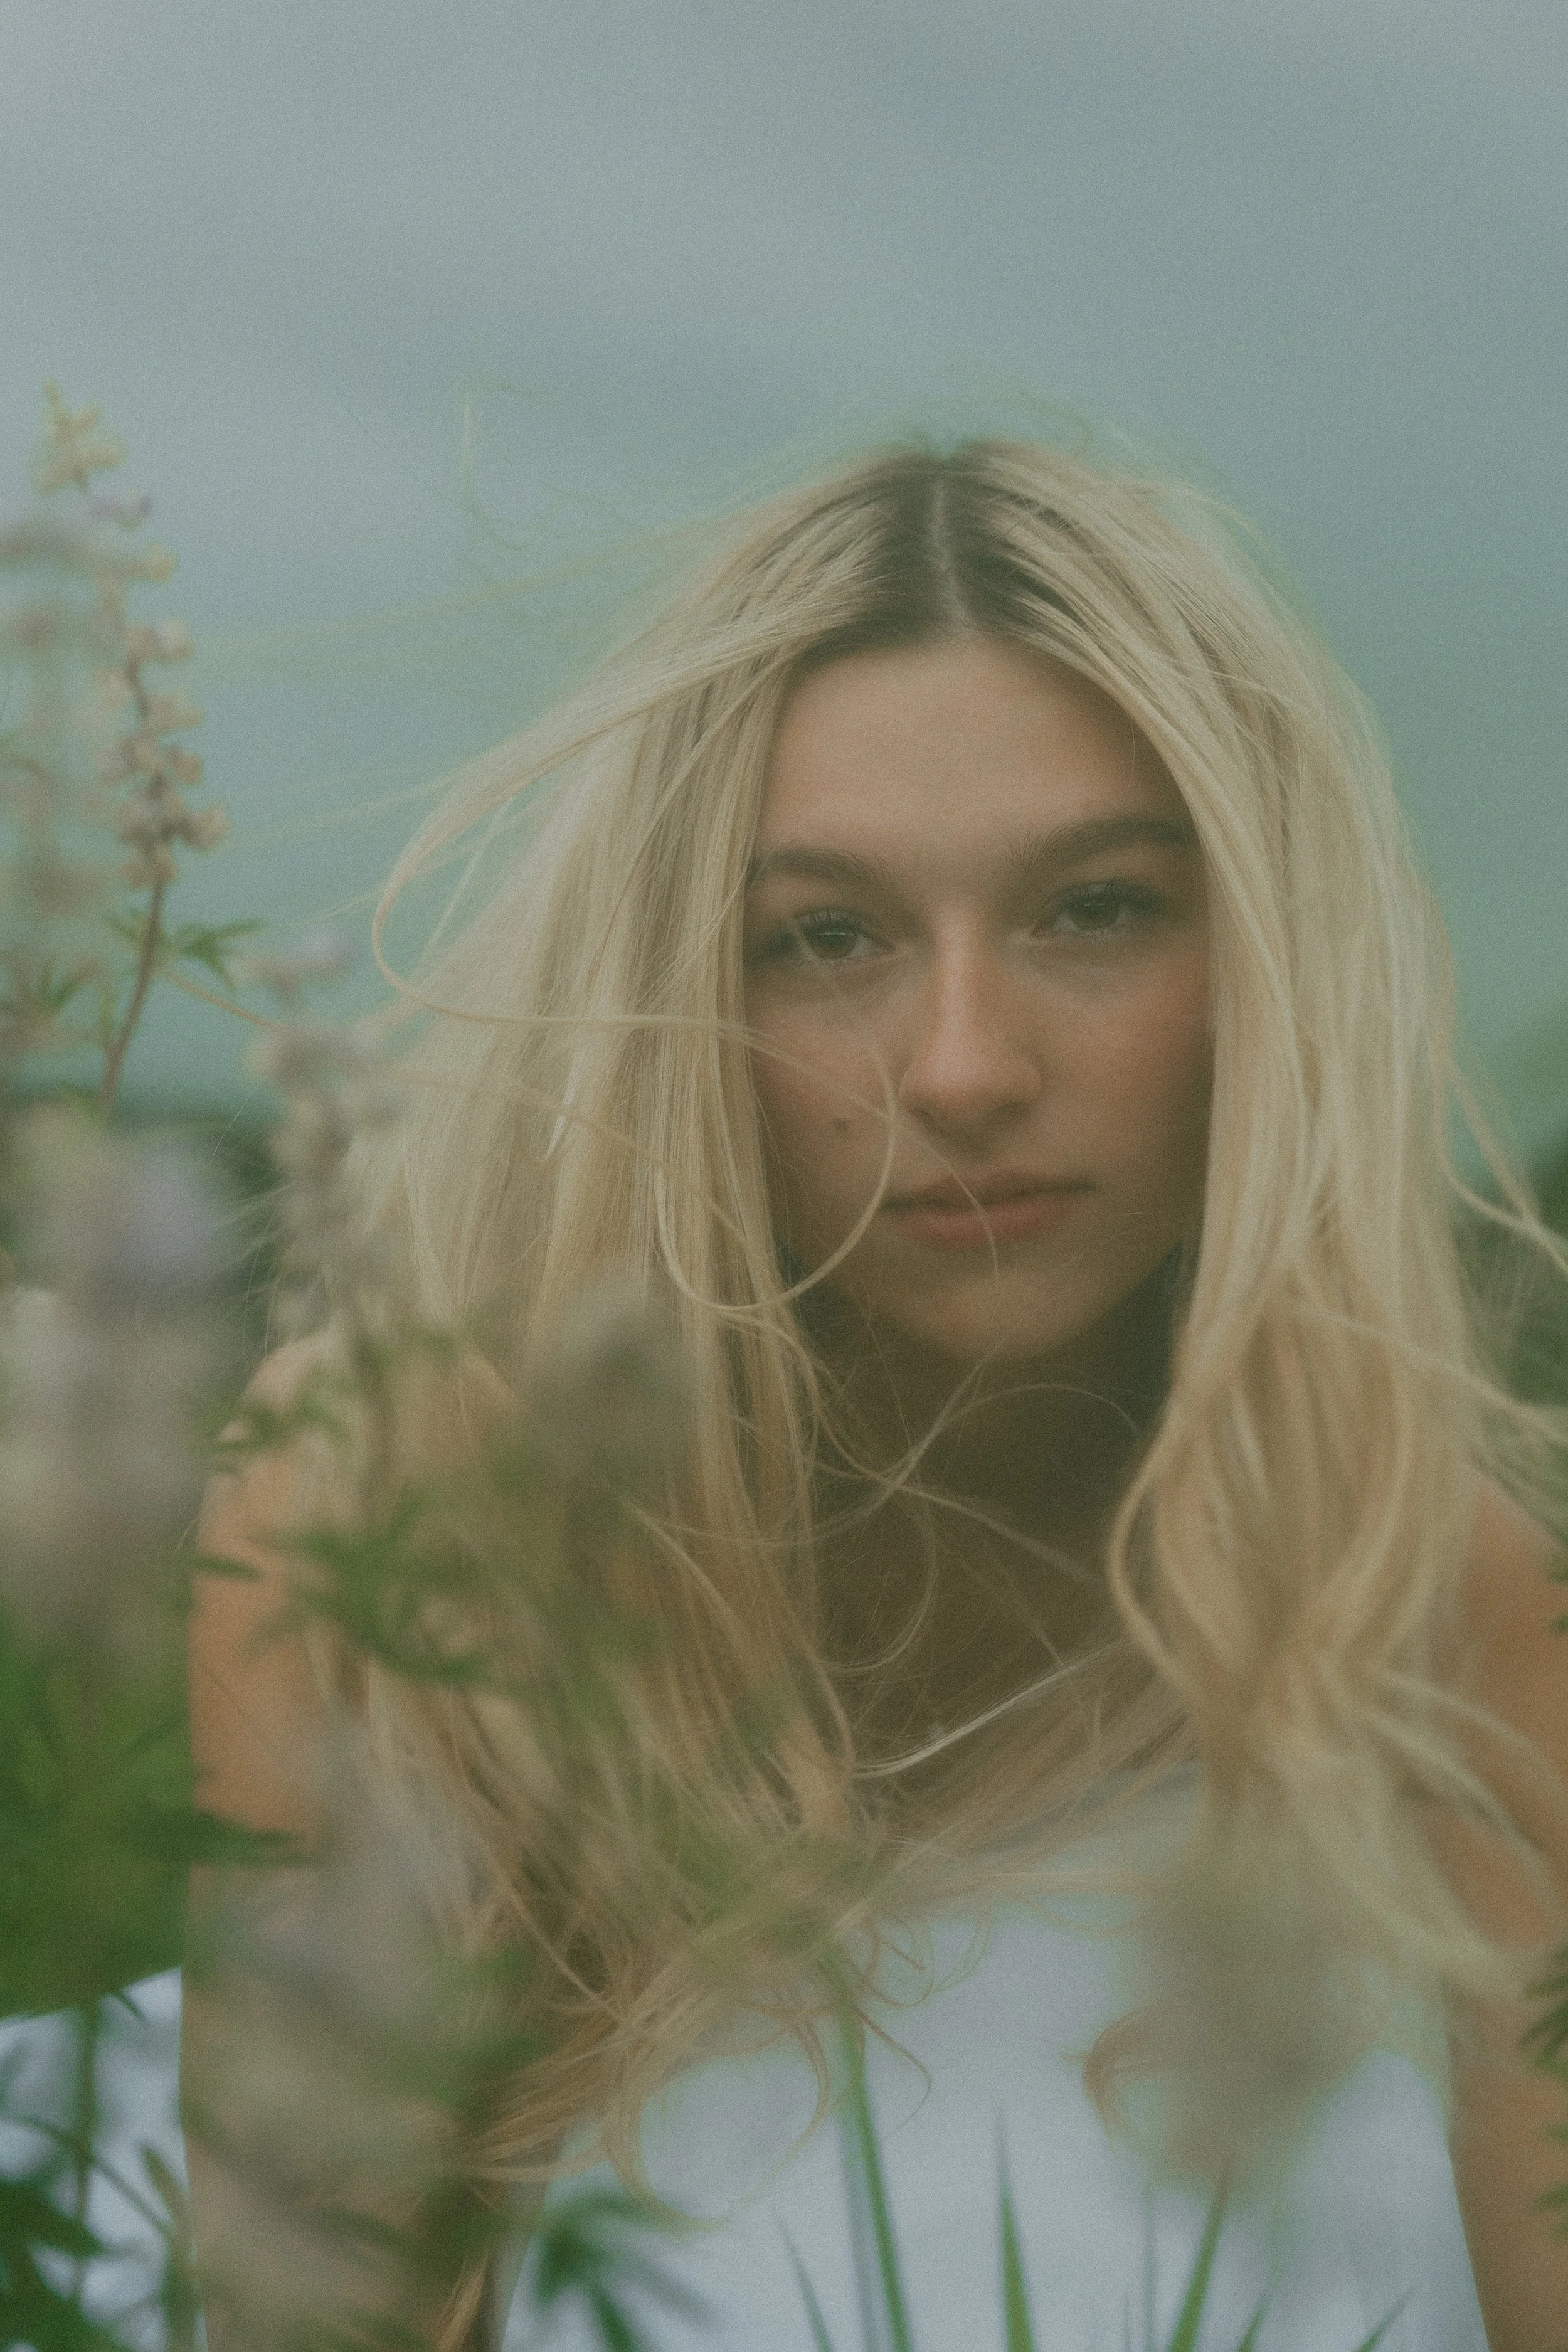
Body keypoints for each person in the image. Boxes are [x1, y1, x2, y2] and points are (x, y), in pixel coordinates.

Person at [188, 440, 1568, 2351]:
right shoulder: (382, 1525)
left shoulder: (1432, 1597)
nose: (963, 1067)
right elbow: (310, 2316)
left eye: (1095, 909)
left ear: (1258, 958)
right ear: (680, 988)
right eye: (825, 938)